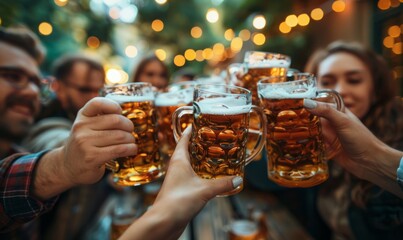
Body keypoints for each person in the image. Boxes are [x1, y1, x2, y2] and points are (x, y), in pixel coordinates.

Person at [305, 41, 403, 239]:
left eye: (354, 80)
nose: (339, 90)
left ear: (374, 91)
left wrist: (374, 157)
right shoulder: (317, 136)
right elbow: (271, 182)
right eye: (327, 82)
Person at [20, 55, 107, 239]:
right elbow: (54, 140)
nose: (94, 98)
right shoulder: (46, 121)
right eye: (84, 89)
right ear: (58, 87)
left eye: (99, 90)